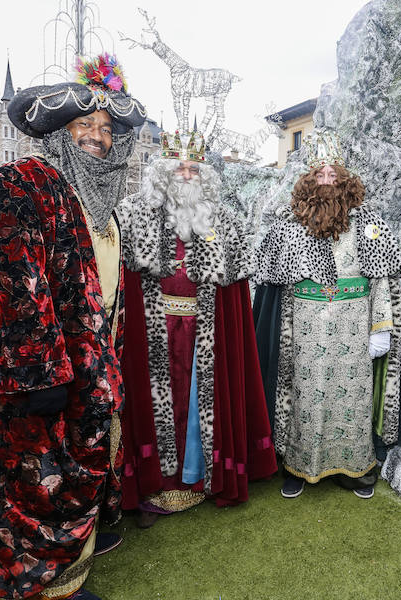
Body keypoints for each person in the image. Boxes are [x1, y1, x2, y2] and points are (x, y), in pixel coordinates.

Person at [0, 53, 146, 600]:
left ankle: (69, 571)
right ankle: (32, 586)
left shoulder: (102, 207)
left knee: (76, 480)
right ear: (57, 133)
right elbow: (13, 286)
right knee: (29, 488)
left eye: (105, 128)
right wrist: (41, 377)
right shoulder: (20, 183)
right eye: (83, 126)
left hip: (90, 375)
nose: (98, 136)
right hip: (39, 383)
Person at [116, 132, 276, 528]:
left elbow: (235, 293)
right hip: (152, 330)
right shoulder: (133, 213)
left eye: (194, 169)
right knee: (151, 409)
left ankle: (200, 479)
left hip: (207, 333)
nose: (186, 175)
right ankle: (153, 487)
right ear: (163, 173)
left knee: (201, 406)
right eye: (178, 168)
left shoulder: (223, 220)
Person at [254, 129, 401, 500]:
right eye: (319, 174)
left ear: (345, 180)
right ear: (308, 180)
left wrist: (380, 326)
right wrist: (282, 331)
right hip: (304, 327)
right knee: (302, 394)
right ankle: (297, 466)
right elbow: (276, 291)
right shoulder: (289, 226)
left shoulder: (369, 223)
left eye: (333, 174)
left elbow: (382, 278)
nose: (326, 181)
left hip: (353, 323)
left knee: (352, 397)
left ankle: (355, 470)